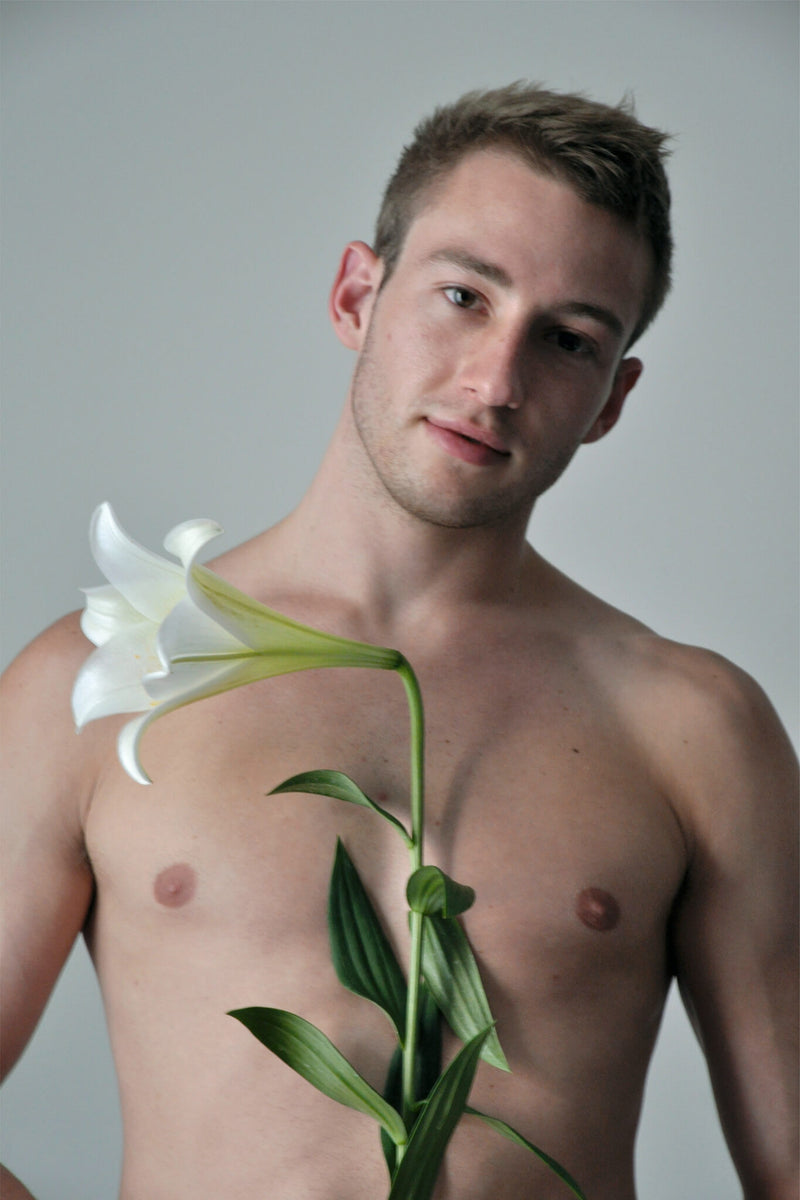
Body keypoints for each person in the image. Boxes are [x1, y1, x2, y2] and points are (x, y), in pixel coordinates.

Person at [1, 83, 797, 1200]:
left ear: (610, 400)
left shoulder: (692, 727)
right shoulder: (94, 682)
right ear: (355, 295)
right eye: (463, 295)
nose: (495, 381)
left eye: (565, 340)